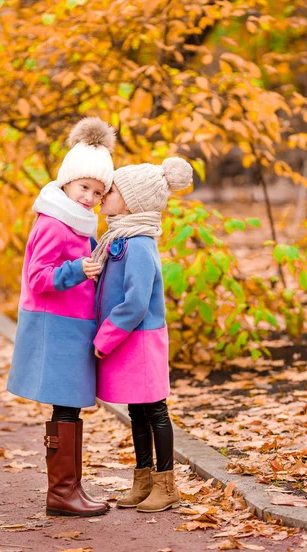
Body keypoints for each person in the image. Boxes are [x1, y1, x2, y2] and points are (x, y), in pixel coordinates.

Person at [7, 117, 116, 517]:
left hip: (73, 325)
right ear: (67, 182)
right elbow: (38, 278)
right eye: (84, 187)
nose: (89, 197)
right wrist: (78, 270)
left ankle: (70, 489)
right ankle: (62, 493)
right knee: (65, 407)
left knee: (69, 408)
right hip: (56, 327)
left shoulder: (78, 222)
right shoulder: (55, 223)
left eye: (97, 191)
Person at [92, 157, 192, 512]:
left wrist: (104, 338)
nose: (104, 194)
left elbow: (135, 303)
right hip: (130, 339)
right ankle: (144, 479)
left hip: (141, 339)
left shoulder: (138, 244)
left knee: (155, 410)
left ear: (133, 201)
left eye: (113, 190)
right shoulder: (120, 237)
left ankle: (167, 485)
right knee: (137, 410)